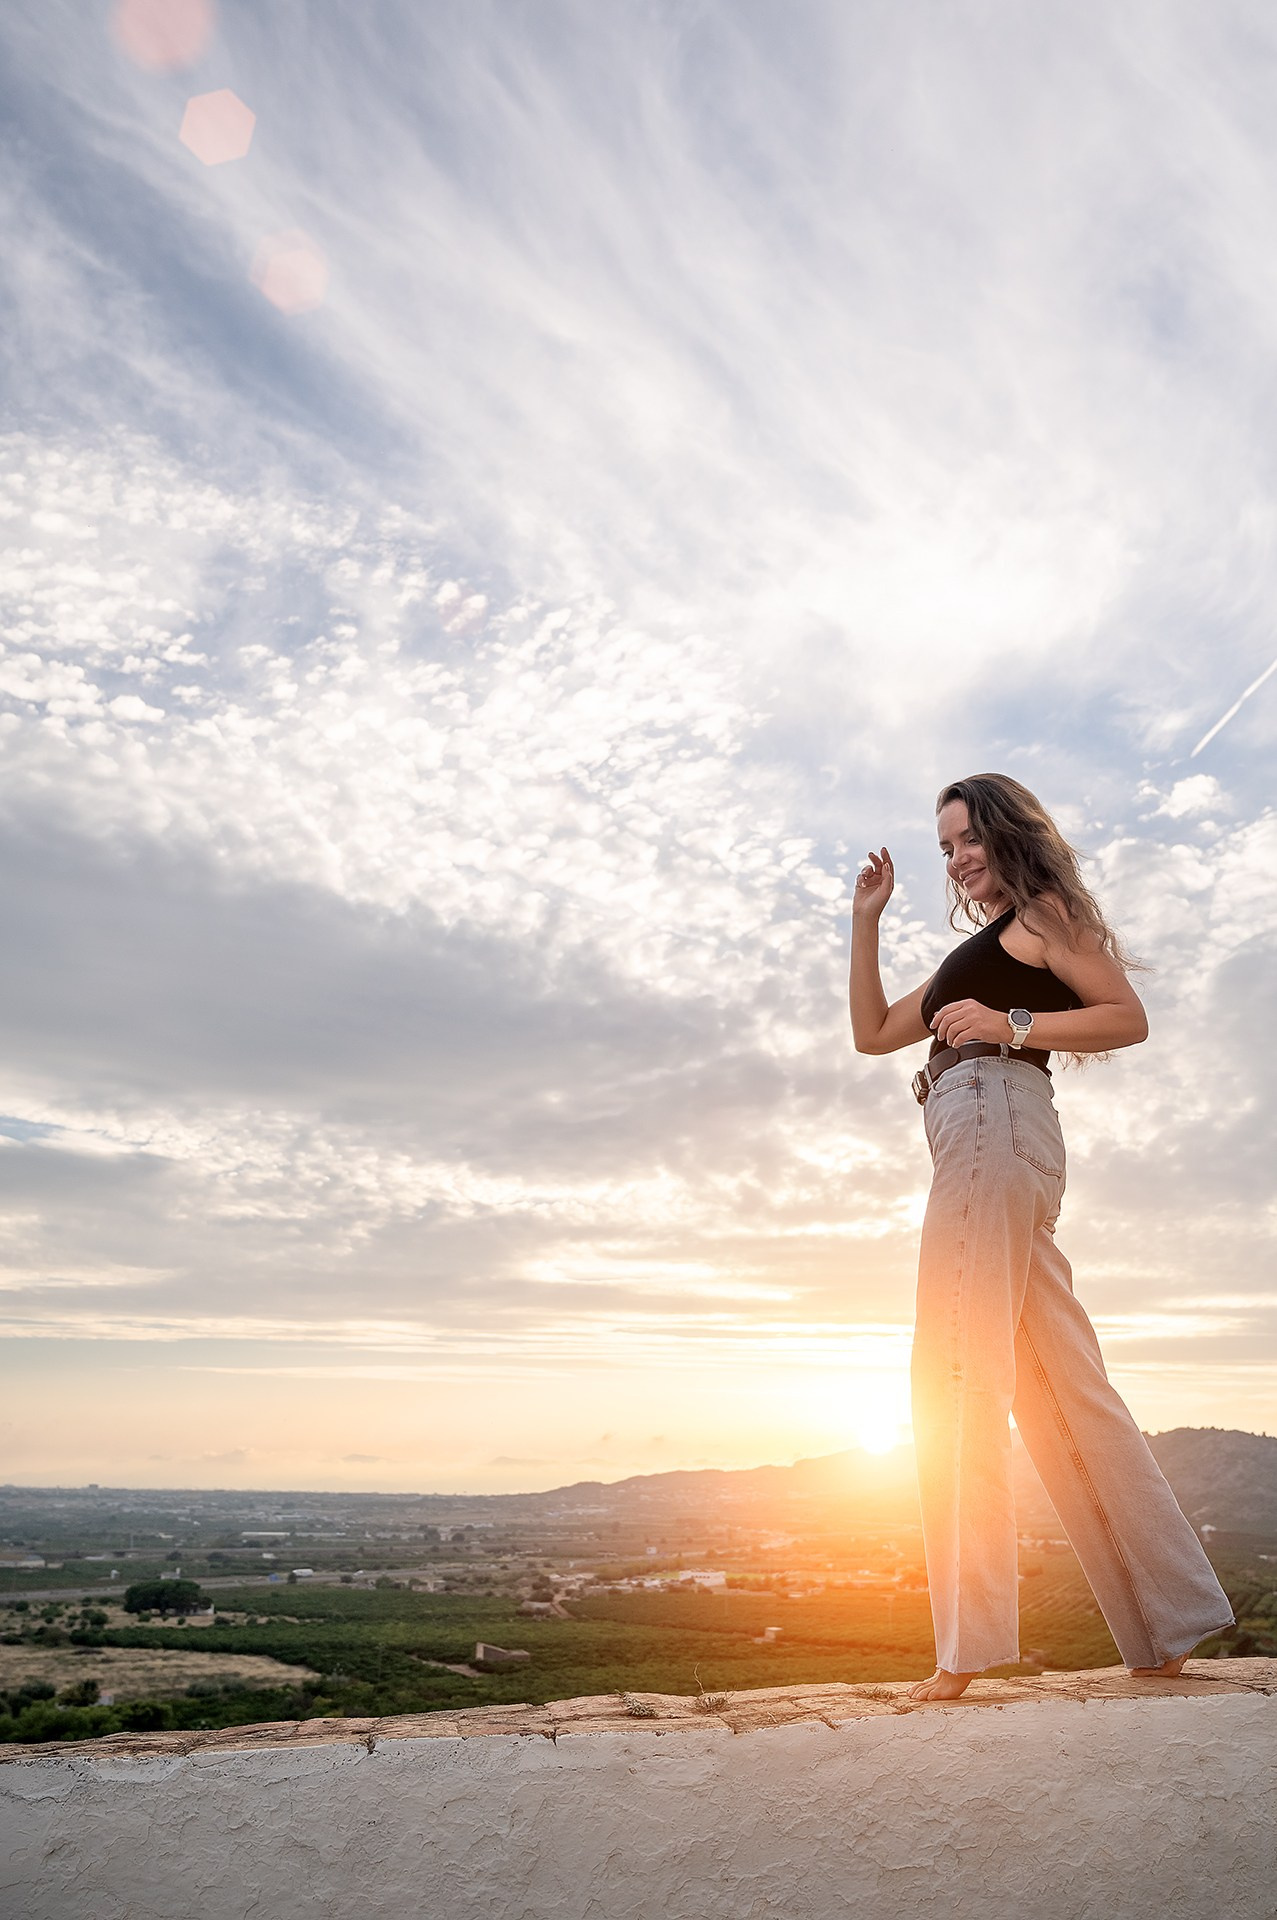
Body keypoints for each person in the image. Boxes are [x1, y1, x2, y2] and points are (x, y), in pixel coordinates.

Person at [848, 772, 1233, 1702]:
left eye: (967, 837)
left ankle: (962, 1648)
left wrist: (1010, 1023)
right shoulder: (974, 951)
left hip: (990, 1115)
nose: (955, 857)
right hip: (982, 1131)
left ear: (1007, 831)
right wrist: (865, 921)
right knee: (1060, 1379)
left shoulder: (1044, 914)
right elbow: (870, 1035)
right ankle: (1163, 1622)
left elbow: (1125, 1017)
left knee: (951, 1367)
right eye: (943, 846)